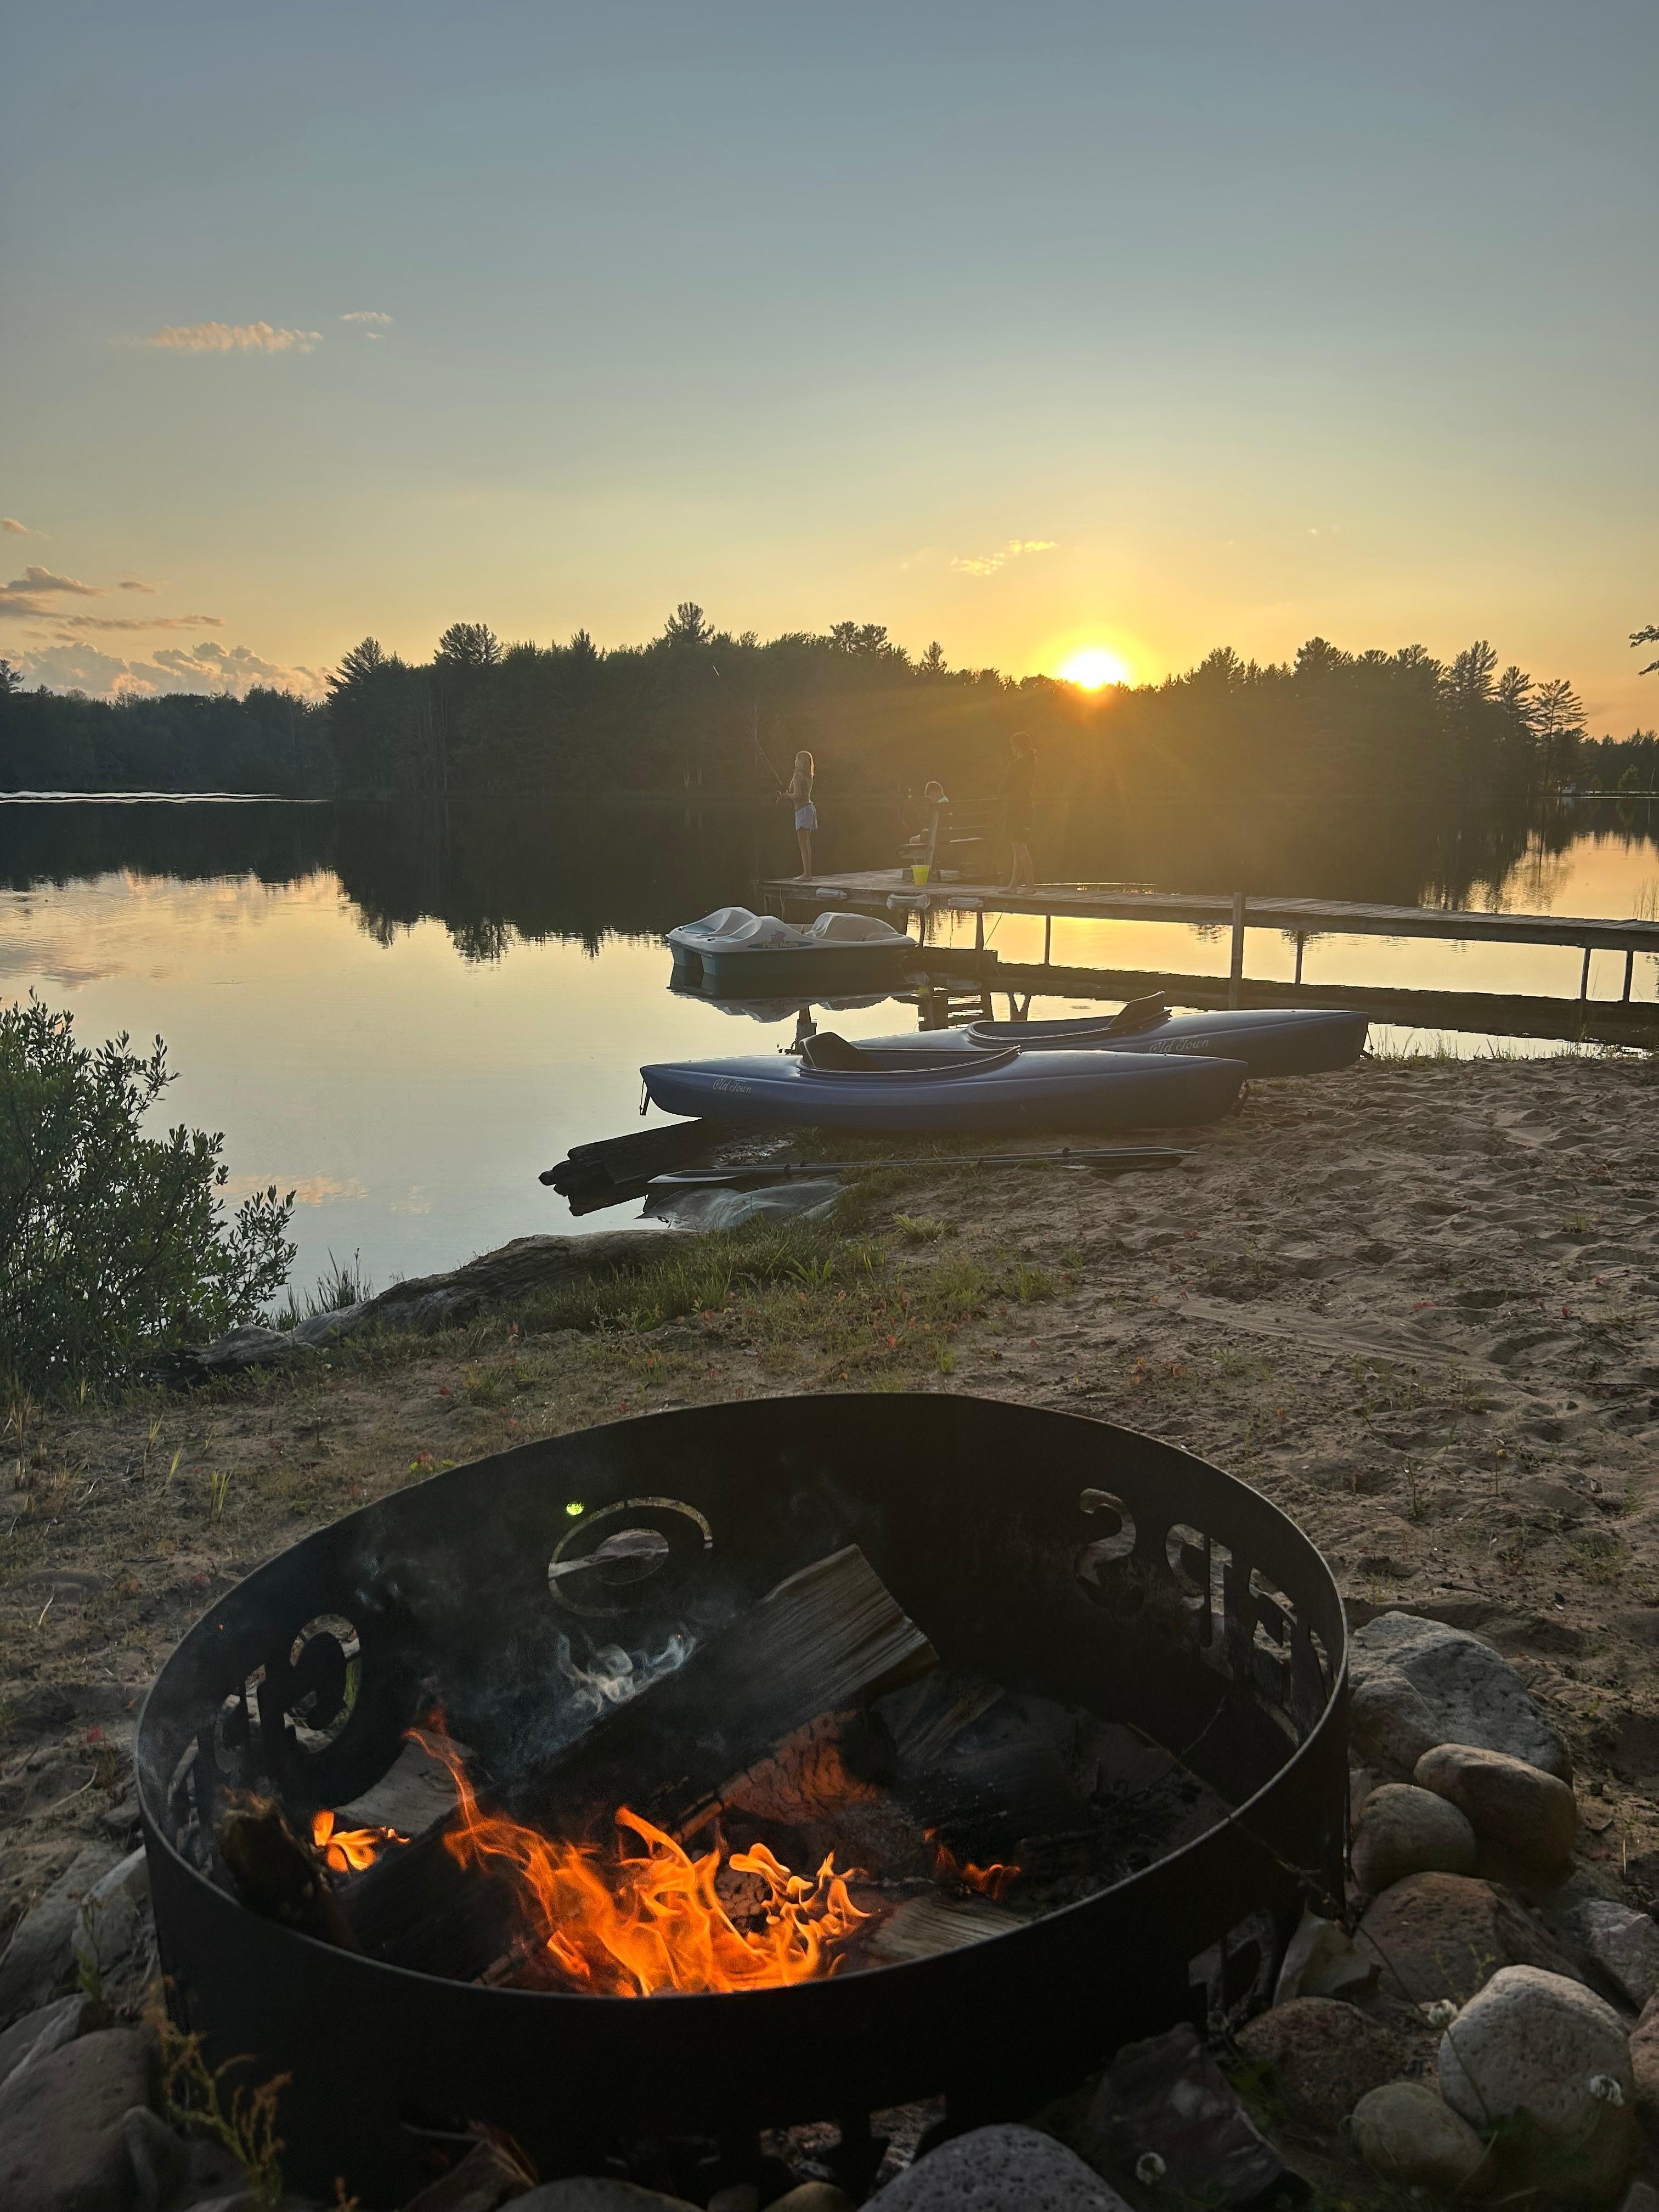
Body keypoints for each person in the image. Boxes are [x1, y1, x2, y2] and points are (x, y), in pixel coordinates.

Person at [1001, 730, 1035, 890]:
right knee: (1017, 848)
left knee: (1020, 848)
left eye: (1012, 745)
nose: (1011, 748)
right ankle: (1013, 885)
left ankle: (1030, 886)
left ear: (1019, 746)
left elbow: (1005, 787)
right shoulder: (1030, 763)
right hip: (1025, 807)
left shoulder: (1018, 765)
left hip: (1017, 809)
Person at [785, 749, 816, 876]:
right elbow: (800, 794)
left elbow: (797, 796)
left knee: (802, 843)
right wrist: (787, 795)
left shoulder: (798, 775)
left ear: (801, 761)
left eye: (797, 759)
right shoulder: (809, 775)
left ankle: (806, 875)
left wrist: (786, 796)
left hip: (803, 810)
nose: (795, 761)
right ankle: (807, 874)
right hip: (809, 809)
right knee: (806, 843)